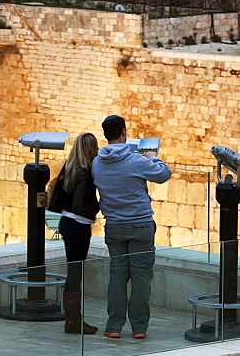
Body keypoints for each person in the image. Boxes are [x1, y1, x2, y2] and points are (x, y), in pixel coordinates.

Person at [91, 114, 171, 340]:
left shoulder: (97, 163)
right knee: (141, 277)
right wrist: (153, 157)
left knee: (117, 276)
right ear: (124, 133)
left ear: (106, 135)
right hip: (140, 226)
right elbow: (164, 174)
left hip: (114, 227)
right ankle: (139, 328)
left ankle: (114, 326)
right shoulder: (136, 161)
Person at [55, 132, 100, 335]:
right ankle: (72, 320)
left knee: (74, 272)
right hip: (77, 226)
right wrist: (98, 205)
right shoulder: (84, 173)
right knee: (74, 274)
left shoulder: (70, 167)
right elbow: (80, 206)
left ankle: (74, 319)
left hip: (67, 223)